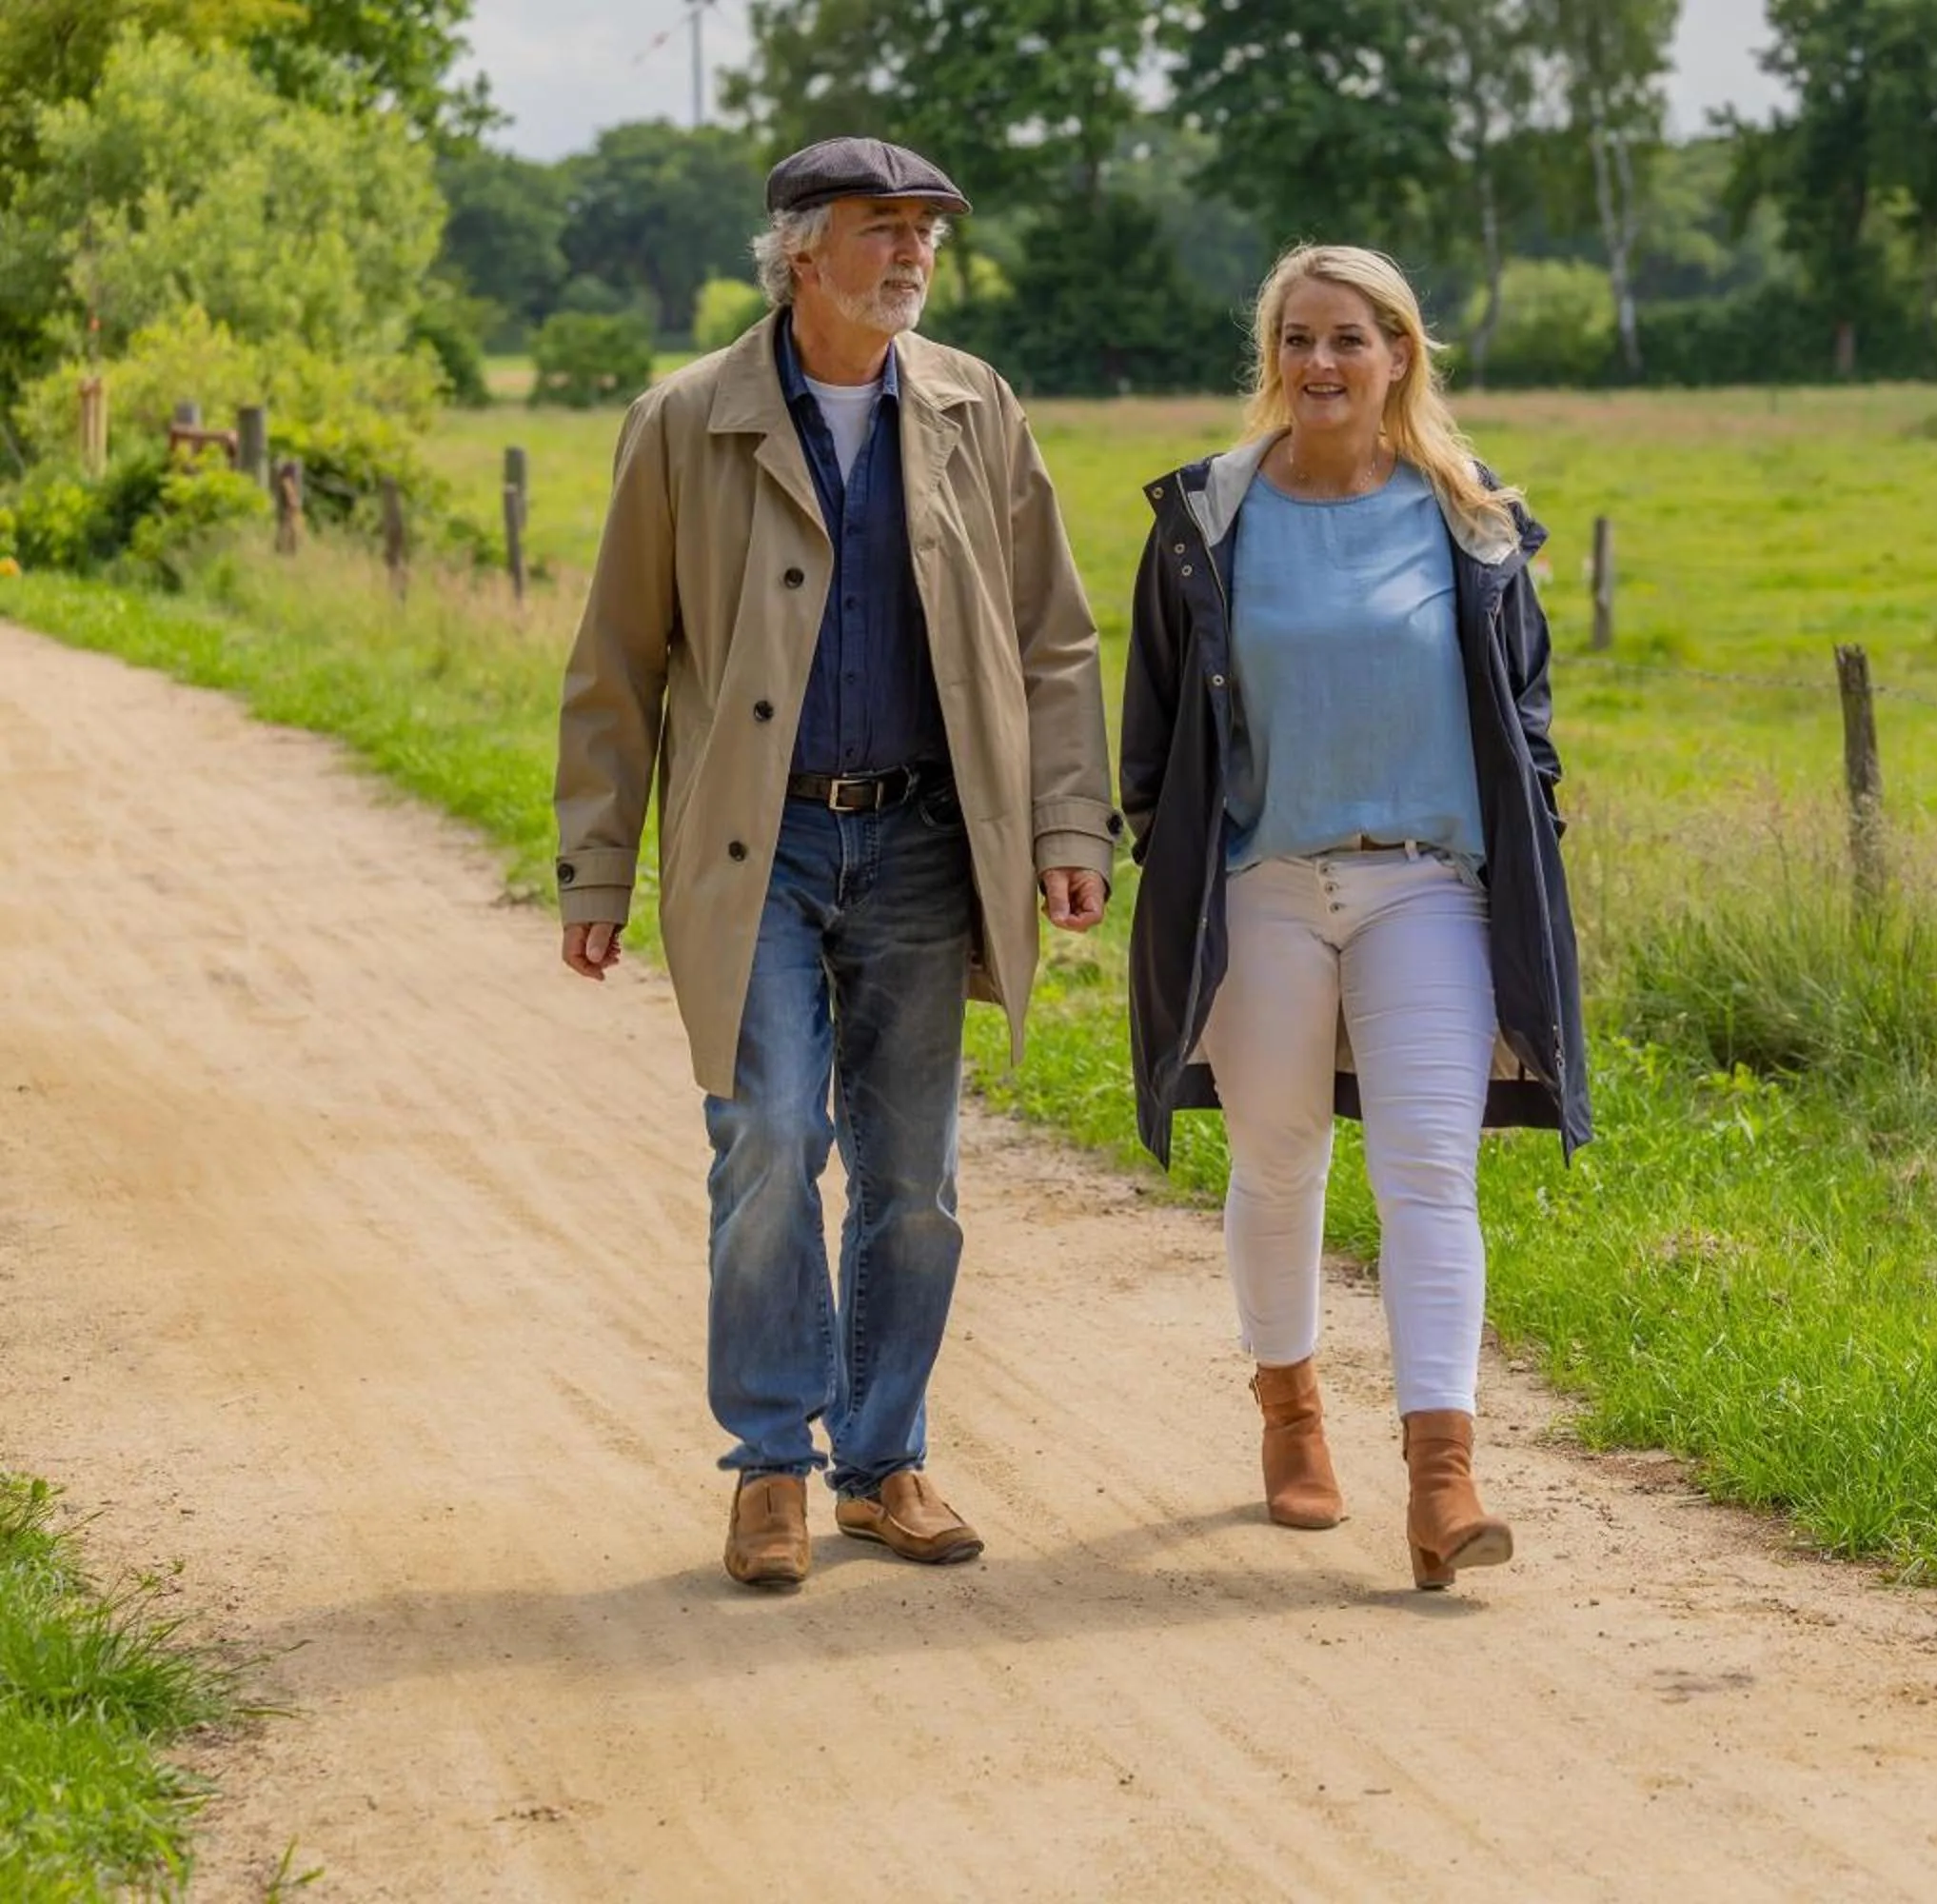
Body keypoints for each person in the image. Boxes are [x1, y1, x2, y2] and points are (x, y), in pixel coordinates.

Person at [554, 137, 1117, 1591]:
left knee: (914, 1178)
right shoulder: (685, 423)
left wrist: (1066, 824)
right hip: (764, 842)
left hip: (931, 839)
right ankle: (767, 1470)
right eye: (883, 229)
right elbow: (619, 658)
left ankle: (883, 1464)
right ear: (801, 253)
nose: (913, 253)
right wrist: (595, 869)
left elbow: (1054, 638)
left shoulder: (975, 407)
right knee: (766, 1144)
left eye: (926, 229)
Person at [1119, 244, 1590, 1591]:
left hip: (1426, 885)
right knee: (1277, 1161)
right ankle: (1292, 1414)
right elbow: (1155, 720)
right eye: (1298, 340)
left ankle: (1444, 1481)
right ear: (1273, 358)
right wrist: (1167, 859)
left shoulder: (1471, 518)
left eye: (1350, 340)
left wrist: (1531, 834)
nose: (1320, 365)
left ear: (1400, 355)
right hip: (1264, 883)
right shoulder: (1211, 517)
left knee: (1429, 1168)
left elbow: (1529, 708)